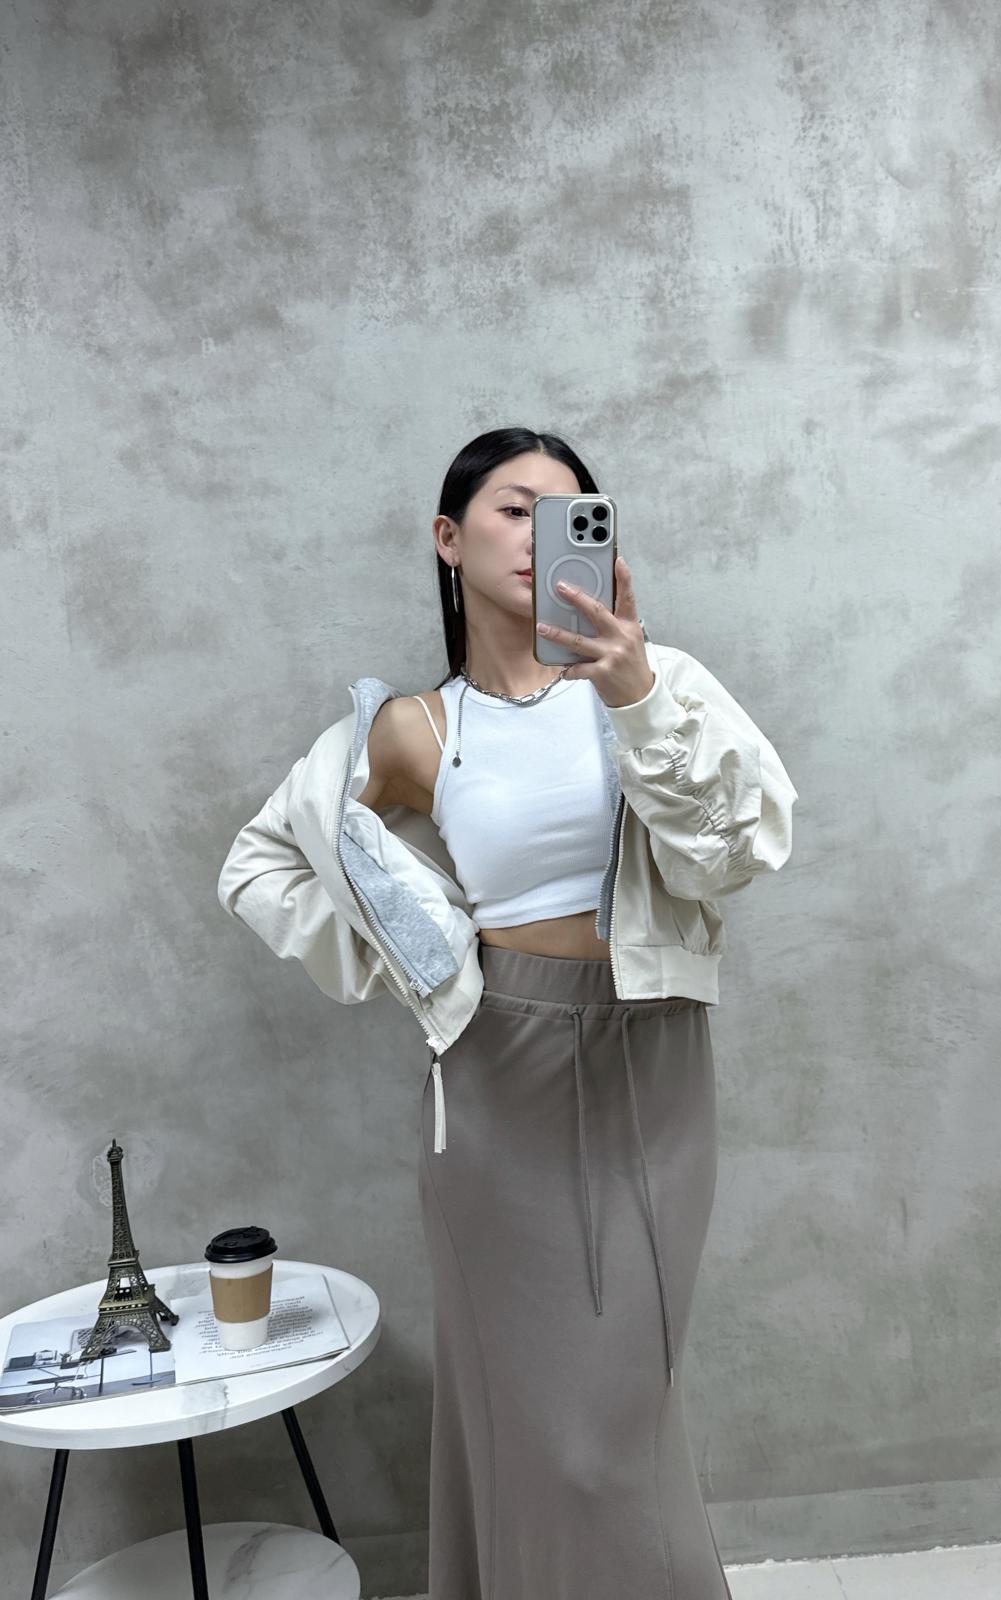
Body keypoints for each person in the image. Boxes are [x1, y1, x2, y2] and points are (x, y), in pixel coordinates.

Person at [217, 426, 799, 1598]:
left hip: (652, 1067)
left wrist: (633, 693)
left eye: (572, 513)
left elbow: (739, 850)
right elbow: (258, 862)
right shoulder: (415, 729)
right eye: (514, 508)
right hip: (493, 1087)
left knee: (611, 1432)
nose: (542, 534)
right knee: (535, 1428)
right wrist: (417, 958)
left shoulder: (658, 684)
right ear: (449, 538)